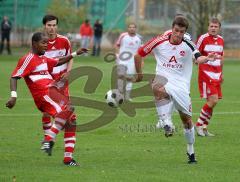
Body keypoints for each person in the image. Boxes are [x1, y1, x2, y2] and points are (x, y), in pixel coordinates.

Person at [134, 16, 219, 163]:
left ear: (185, 32)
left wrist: (207, 58)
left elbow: (198, 58)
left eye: (182, 31)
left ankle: (191, 151)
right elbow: (138, 54)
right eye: (176, 30)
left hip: (181, 86)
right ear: (172, 28)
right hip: (164, 79)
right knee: (155, 84)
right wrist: (139, 74)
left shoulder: (188, 43)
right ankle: (166, 121)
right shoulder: (159, 40)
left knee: (186, 121)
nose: (178, 34)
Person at [6, 32, 88, 166]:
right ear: (34, 44)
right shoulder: (28, 58)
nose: (46, 46)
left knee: (71, 121)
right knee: (68, 110)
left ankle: (68, 159)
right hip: (43, 94)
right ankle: (48, 139)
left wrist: (75, 54)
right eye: (43, 43)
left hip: (53, 92)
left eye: (47, 43)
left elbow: (58, 61)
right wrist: (13, 96)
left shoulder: (43, 58)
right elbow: (14, 76)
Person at [42, 14, 77, 164]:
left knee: (69, 119)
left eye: (54, 25)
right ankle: (48, 139)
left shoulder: (64, 41)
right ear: (44, 26)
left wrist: (68, 72)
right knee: (53, 113)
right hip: (48, 85)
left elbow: (70, 57)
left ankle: (50, 141)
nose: (52, 28)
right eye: (49, 25)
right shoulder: (40, 44)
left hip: (63, 85)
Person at [195, 18, 224, 137]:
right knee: (213, 100)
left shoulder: (221, 40)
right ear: (208, 27)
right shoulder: (203, 38)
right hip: (206, 74)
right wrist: (197, 61)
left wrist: (222, 73)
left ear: (219, 28)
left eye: (216, 26)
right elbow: (195, 53)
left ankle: (204, 127)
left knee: (212, 102)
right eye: (211, 26)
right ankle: (198, 126)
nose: (213, 28)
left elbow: (221, 58)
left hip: (217, 75)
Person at [115, 23, 142, 101]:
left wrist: (141, 61)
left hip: (132, 61)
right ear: (128, 28)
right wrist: (117, 55)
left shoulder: (139, 38)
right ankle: (119, 95)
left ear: (136, 29)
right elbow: (117, 45)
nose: (132, 29)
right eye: (130, 27)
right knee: (120, 75)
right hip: (122, 60)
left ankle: (127, 97)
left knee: (129, 78)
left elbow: (141, 51)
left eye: (133, 27)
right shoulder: (123, 36)